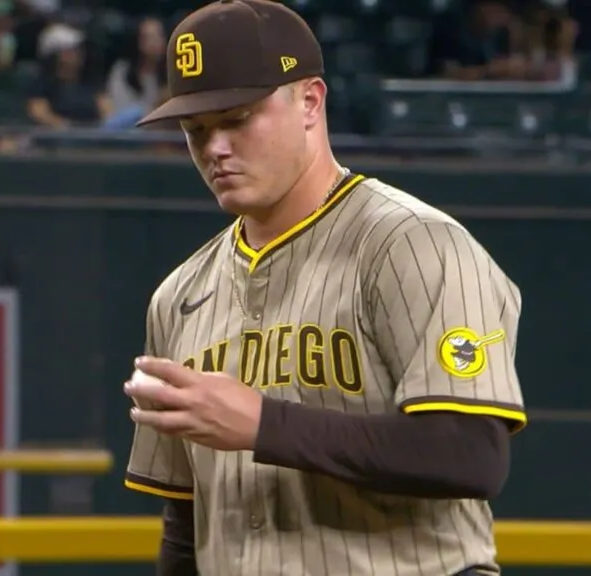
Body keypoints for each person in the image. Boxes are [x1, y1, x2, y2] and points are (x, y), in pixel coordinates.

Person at [122, 2, 526, 575]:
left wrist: (266, 425)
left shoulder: (415, 245)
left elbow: (471, 455)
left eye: (236, 119)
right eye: (196, 130)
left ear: (310, 101)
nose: (214, 148)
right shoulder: (179, 295)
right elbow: (187, 524)